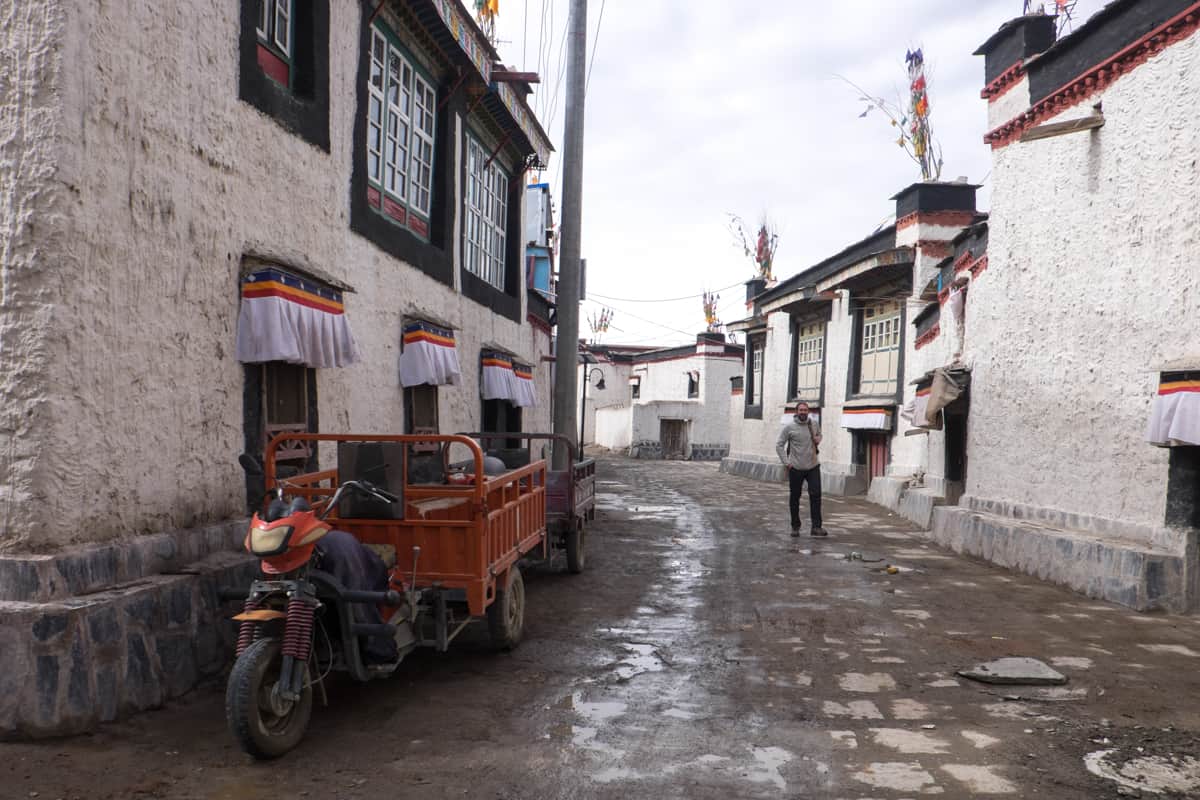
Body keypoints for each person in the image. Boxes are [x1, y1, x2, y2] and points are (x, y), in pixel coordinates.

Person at [776, 402, 826, 537]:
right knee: (795, 498)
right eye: (801, 410)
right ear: (796, 411)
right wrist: (787, 463)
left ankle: (816, 527)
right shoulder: (789, 427)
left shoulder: (814, 424)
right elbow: (779, 445)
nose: (803, 412)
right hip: (796, 468)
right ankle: (795, 527)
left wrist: (818, 438)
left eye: (805, 410)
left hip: (813, 466)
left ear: (808, 411)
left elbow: (819, 434)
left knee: (816, 496)